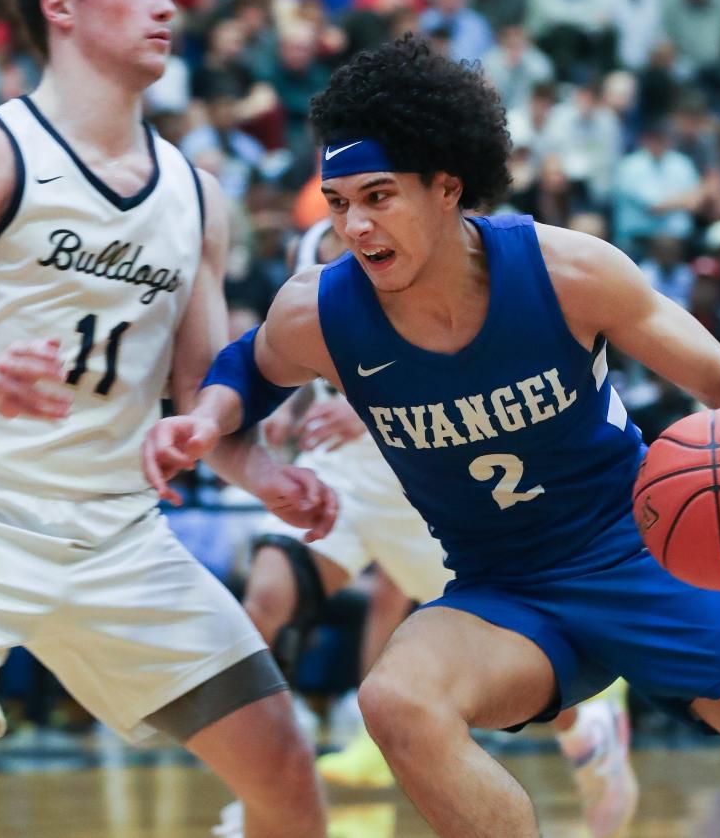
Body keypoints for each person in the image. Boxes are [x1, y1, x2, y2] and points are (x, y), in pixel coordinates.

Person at [144, 36, 720, 838]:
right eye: (338, 203)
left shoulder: (568, 272)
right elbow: (242, 375)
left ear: (448, 186)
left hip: (646, 556)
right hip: (505, 592)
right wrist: (217, 435)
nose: (355, 225)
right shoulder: (323, 312)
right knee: (395, 700)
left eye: (379, 196)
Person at [0, 0, 334, 838]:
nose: (166, 4)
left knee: (288, 777)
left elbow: (201, 394)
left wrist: (262, 474)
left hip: (118, 538)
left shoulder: (195, 197)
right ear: (61, 6)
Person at [215, 218, 639, 837]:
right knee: (267, 598)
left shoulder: (452, 260)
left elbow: (448, 366)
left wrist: (361, 416)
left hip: (433, 474)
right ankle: (259, 791)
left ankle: (591, 733)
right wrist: (285, 415)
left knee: (515, 660)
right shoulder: (317, 267)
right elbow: (303, 357)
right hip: (342, 479)